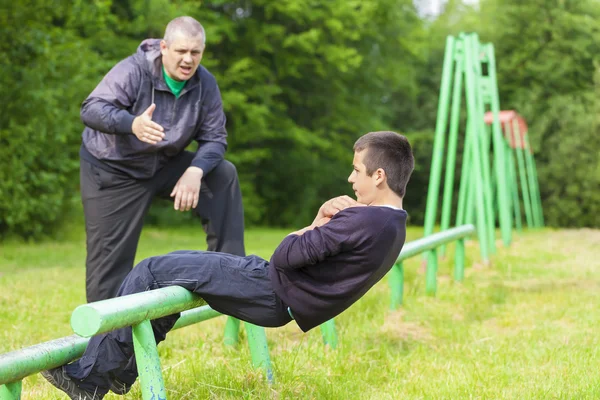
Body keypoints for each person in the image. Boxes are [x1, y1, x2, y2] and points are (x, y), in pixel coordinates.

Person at [42, 131, 415, 399]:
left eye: (356, 170)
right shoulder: (395, 226)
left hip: (269, 287)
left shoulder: (360, 219)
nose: (350, 178)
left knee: (152, 270)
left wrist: (317, 220)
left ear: (378, 175)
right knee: (170, 286)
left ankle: (90, 382)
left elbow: (285, 254)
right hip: (277, 295)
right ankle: (120, 373)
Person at [79, 16, 245, 303]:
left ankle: (231, 274)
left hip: (164, 163)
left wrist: (195, 170)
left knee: (222, 173)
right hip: (114, 169)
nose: (188, 60)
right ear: (164, 47)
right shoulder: (134, 70)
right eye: (181, 51)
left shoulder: (205, 83)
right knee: (109, 266)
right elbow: (91, 108)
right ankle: (105, 342)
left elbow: (215, 138)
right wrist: (130, 123)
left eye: (195, 52)